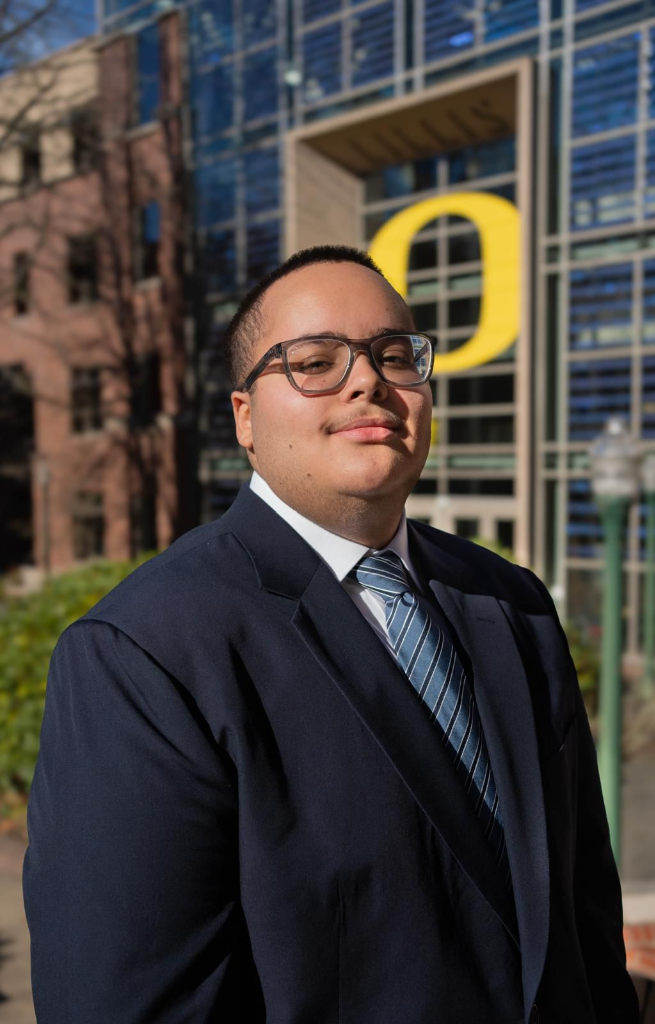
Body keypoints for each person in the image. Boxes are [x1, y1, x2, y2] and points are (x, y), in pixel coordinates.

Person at [23, 245, 638, 1024]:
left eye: (394, 355)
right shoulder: (146, 652)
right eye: (314, 360)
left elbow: (581, 914)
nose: (367, 381)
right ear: (245, 416)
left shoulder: (511, 602)